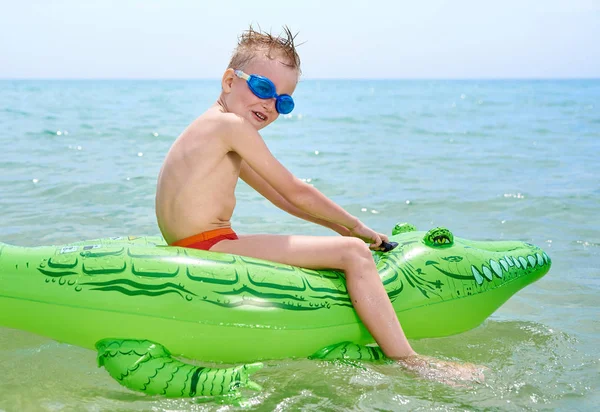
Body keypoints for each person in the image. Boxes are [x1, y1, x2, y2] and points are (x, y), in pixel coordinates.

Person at [156, 26, 482, 383]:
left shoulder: (211, 128)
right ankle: (409, 360)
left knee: (343, 245)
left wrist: (335, 227)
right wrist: (356, 231)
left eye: (283, 101)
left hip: (194, 243)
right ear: (229, 80)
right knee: (353, 255)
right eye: (263, 88)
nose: (269, 104)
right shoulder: (232, 127)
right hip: (212, 244)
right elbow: (295, 190)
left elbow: (277, 196)